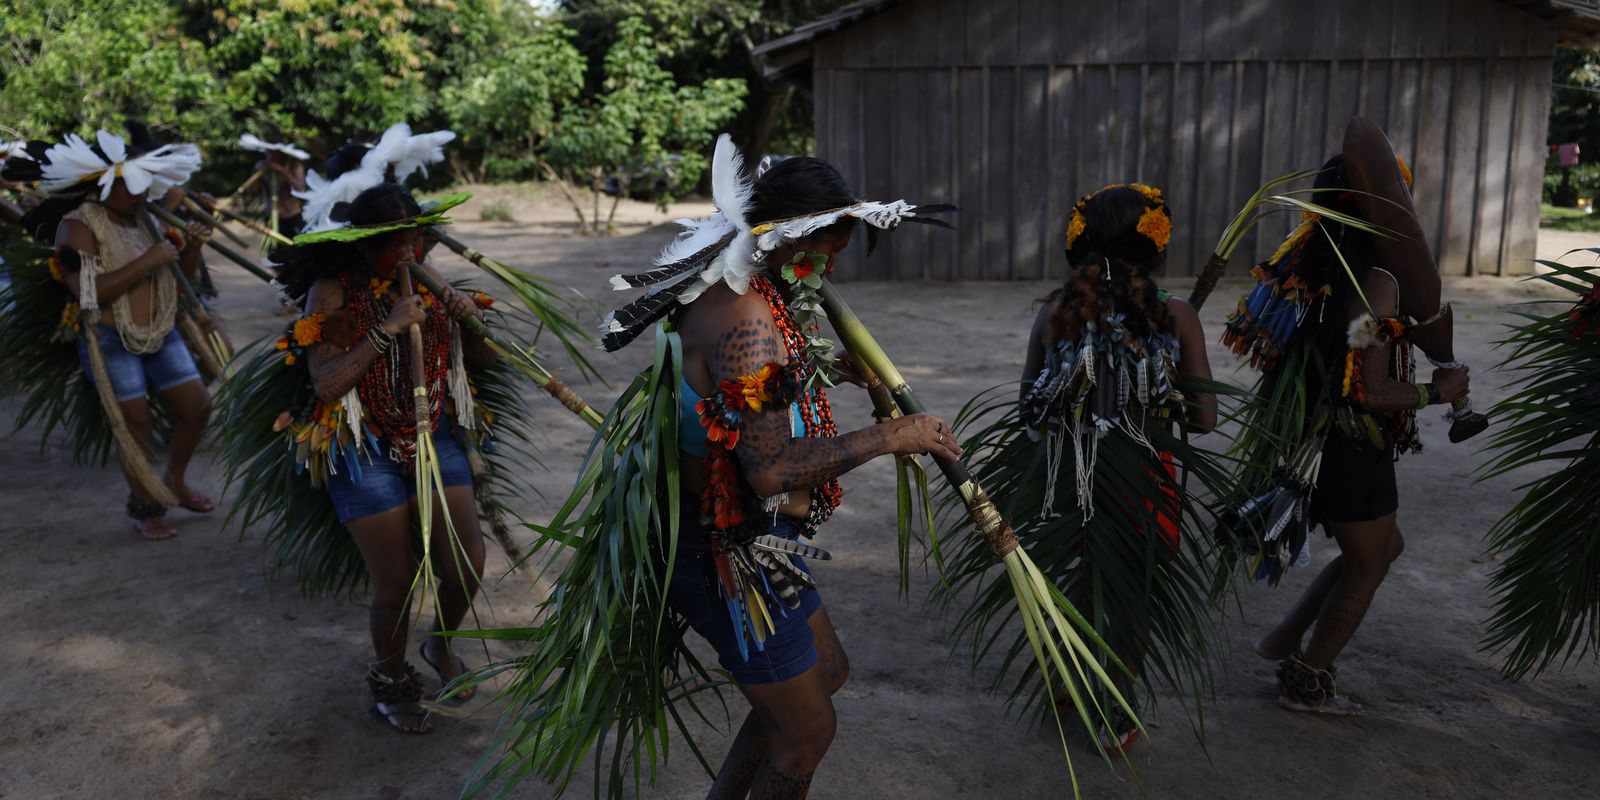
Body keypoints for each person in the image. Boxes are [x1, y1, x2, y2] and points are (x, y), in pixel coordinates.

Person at [478, 135, 957, 799]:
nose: (837, 257)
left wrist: (813, 374)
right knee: (807, 732)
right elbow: (768, 469)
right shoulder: (748, 317)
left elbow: (745, 403)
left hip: (757, 547)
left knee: (827, 673)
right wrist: (892, 435)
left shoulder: (751, 302)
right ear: (787, 237)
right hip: (729, 556)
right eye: (831, 240)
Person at [949, 183, 1221, 754]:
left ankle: (1066, 678)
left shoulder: (1055, 313)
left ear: (1076, 244)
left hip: (1063, 481)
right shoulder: (1178, 315)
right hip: (1144, 483)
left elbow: (1030, 408)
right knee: (1134, 593)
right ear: (1157, 247)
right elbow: (1204, 420)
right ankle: (1113, 708)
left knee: (1076, 573)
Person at [1219, 156, 1468, 715]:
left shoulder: (1311, 262)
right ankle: (1305, 680)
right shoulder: (1376, 282)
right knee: (1369, 562)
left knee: (1384, 547)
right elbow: (1369, 392)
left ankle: (1285, 636)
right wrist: (1438, 392)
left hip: (1308, 435)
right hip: (1348, 444)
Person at [266, 184, 495, 734]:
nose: (412, 251)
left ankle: (439, 644)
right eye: (398, 242)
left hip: (433, 433)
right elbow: (326, 383)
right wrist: (386, 329)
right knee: (396, 583)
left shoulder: (432, 285)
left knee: (468, 562)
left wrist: (468, 319)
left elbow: (486, 360)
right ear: (367, 247)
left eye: (418, 237)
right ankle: (392, 682)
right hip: (362, 446)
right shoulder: (331, 293)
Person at [24, 129, 214, 540]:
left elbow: (180, 281)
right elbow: (88, 293)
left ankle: (175, 480)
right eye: (133, 185)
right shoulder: (76, 226)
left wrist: (193, 247)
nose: (143, 193)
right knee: (135, 424)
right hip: (110, 340)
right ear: (108, 183)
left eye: (146, 184)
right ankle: (146, 506)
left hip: (162, 332)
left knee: (197, 408)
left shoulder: (145, 219)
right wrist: (150, 258)